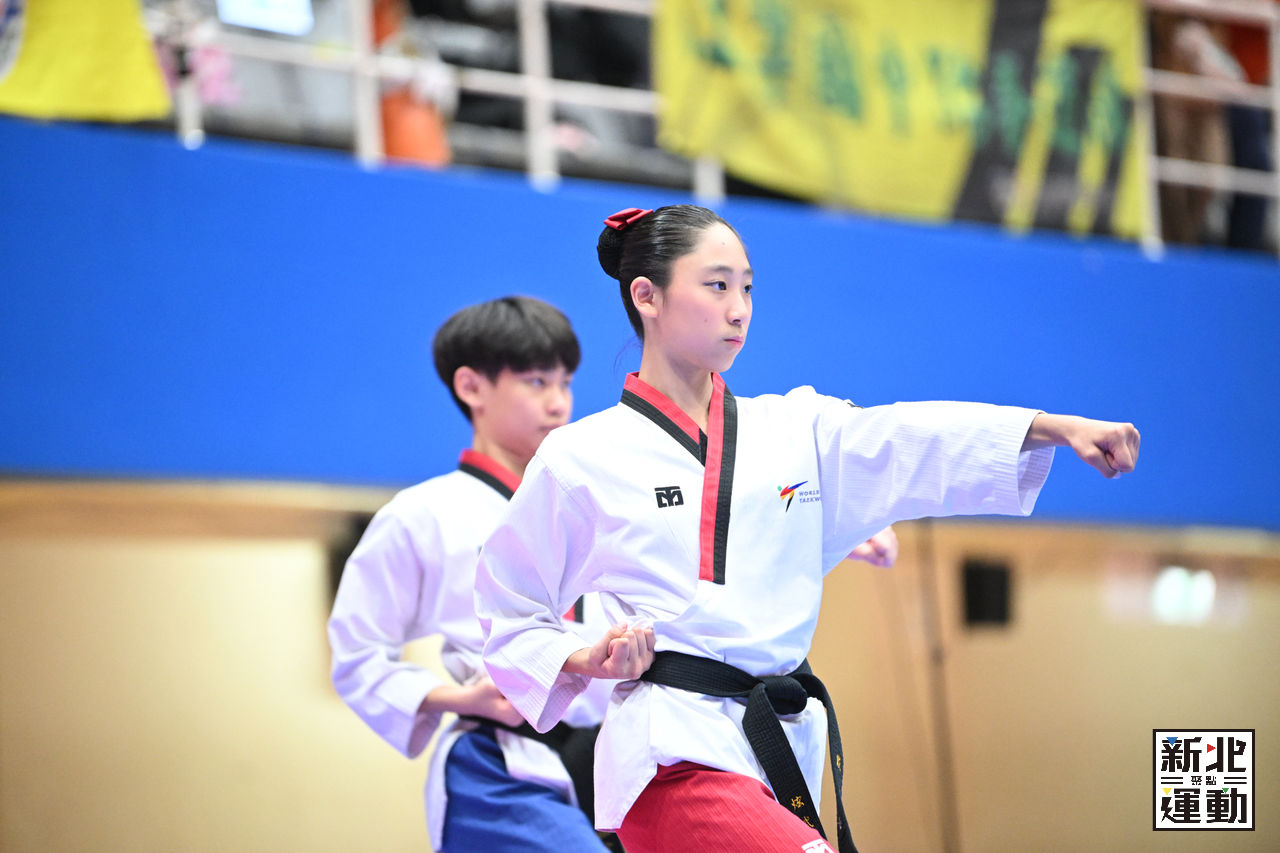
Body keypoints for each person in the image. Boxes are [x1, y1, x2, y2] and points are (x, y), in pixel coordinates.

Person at [474, 205, 1141, 853]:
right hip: (669, 756)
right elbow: (508, 604)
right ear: (646, 296)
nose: (739, 308)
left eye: (747, 288)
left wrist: (1051, 427)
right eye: (716, 286)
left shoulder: (795, 427)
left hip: (775, 748)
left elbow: (904, 438)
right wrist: (586, 657)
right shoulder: (583, 455)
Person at [328, 295, 623, 852]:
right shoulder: (422, 514)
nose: (559, 402)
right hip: (500, 763)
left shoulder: (599, 507)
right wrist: (460, 699)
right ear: (471, 387)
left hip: (616, 760)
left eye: (565, 382)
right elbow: (356, 656)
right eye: (536, 381)